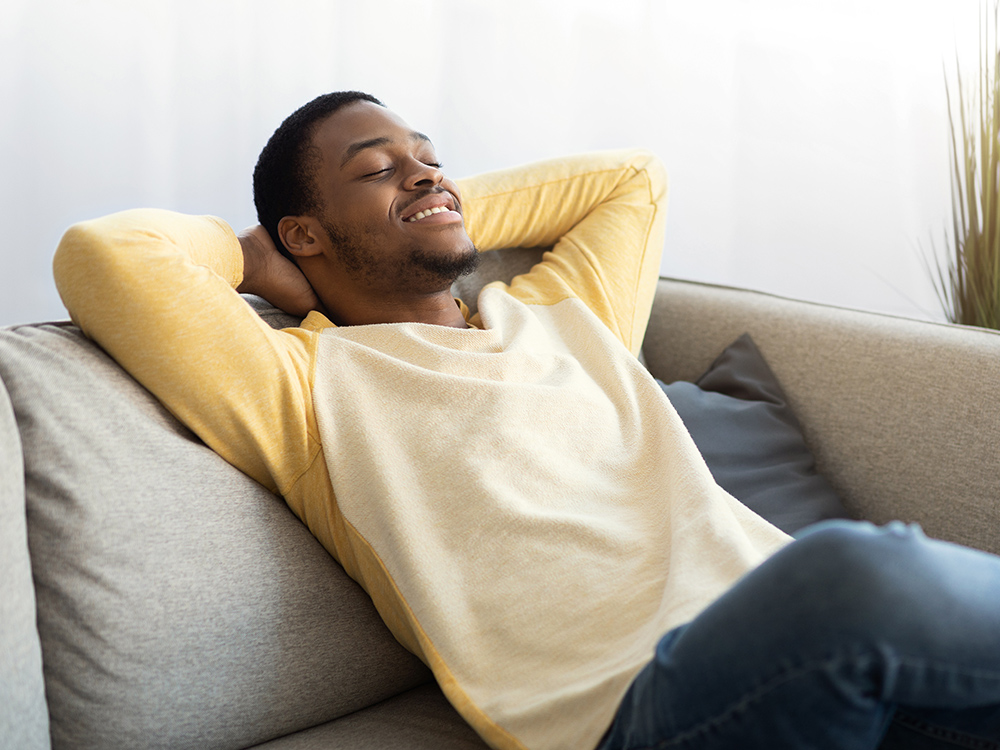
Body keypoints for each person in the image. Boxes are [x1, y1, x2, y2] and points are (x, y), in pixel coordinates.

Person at [53, 91, 1000, 750]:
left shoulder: (563, 316)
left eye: (433, 159)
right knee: (854, 569)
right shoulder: (300, 384)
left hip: (817, 673)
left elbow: (632, 177)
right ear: (304, 232)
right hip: (644, 711)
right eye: (377, 169)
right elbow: (107, 253)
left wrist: (423, 201)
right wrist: (260, 255)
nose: (427, 175)